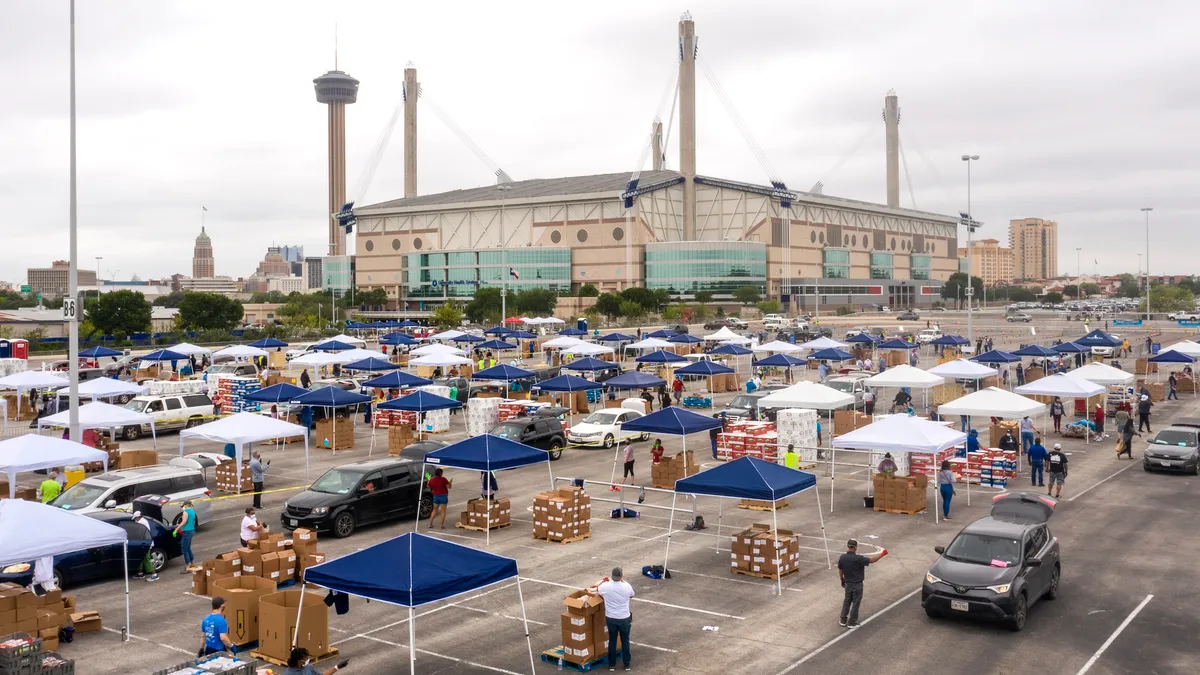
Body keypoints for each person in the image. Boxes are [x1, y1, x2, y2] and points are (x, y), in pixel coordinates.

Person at [837, 539, 886, 628]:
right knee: (856, 603)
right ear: (855, 547)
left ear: (848, 546)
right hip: (857, 585)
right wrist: (882, 554)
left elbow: (840, 570)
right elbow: (872, 560)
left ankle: (843, 619)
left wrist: (842, 579)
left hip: (848, 584)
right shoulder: (858, 558)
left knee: (847, 601)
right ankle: (852, 622)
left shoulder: (842, 557)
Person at [596, 567, 635, 671]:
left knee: (612, 641)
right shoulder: (627, 586)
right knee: (625, 641)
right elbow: (632, 595)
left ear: (612, 576)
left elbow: (597, 590)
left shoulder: (605, 586)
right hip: (624, 618)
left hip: (611, 618)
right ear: (621, 576)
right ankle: (627, 664)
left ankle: (612, 665)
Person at [132, 511, 159, 582]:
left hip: (145, 543)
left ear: (138, 517)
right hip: (144, 542)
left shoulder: (141, 523)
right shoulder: (143, 521)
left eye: (135, 518)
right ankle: (140, 573)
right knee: (141, 558)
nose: (135, 519)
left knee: (146, 559)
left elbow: (138, 533)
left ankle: (154, 575)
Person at [283, 647, 348, 675]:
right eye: (305, 658)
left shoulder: (309, 667)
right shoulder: (289, 673)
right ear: (299, 660)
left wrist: (337, 667)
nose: (307, 659)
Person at [176, 500, 198, 572]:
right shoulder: (192, 511)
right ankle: (192, 563)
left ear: (186, 505)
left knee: (184, 549)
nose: (183, 507)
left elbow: (184, 521)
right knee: (188, 548)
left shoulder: (186, 512)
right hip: (192, 531)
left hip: (187, 532)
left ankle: (187, 565)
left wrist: (176, 529)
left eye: (183, 506)